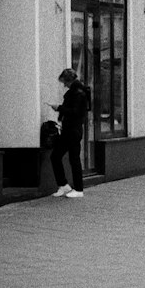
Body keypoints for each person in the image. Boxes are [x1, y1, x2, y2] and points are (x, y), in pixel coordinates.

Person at [48, 68, 90, 198]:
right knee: (64, 157)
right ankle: (66, 186)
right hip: (71, 130)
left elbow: (75, 112)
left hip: (72, 130)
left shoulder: (77, 93)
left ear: (69, 80)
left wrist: (59, 108)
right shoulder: (79, 91)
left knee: (69, 158)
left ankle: (77, 188)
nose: (64, 85)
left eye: (64, 82)